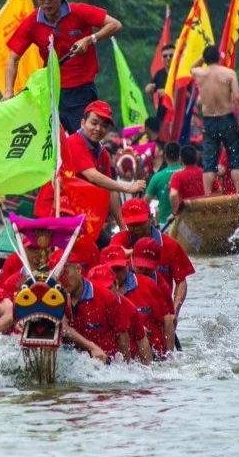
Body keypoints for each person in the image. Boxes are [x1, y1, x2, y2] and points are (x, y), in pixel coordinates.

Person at [3, 0, 122, 132]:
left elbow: (115, 24)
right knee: (47, 139)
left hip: (81, 90)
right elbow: (13, 59)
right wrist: (8, 91)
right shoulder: (32, 22)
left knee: (81, 137)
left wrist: (90, 39)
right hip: (50, 90)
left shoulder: (79, 11)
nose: (46, 3)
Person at [64, 100, 145, 229]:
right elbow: (92, 175)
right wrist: (127, 188)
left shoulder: (103, 153)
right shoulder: (73, 142)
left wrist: (122, 227)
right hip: (61, 214)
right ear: (83, 123)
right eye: (94, 123)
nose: (98, 129)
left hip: (83, 218)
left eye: (104, 126)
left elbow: (110, 190)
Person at [108, 198, 195, 316]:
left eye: (140, 223)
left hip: (161, 309)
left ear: (150, 217)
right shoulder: (119, 239)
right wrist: (136, 252)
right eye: (132, 224)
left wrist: (174, 312)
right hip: (129, 311)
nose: (136, 228)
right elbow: (111, 262)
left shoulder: (170, 245)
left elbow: (181, 282)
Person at [56, 246, 138, 363]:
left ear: (78, 269)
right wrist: (91, 346)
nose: (63, 280)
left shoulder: (107, 297)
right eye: (58, 276)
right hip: (76, 361)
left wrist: (126, 368)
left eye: (65, 273)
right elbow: (63, 328)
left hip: (108, 364)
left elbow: (123, 335)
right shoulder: (55, 296)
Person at [189, 45, 239, 196]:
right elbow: (237, 98)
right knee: (235, 160)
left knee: (209, 162)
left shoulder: (199, 73)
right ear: (219, 58)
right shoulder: (229, 73)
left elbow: (191, 68)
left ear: (205, 59)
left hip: (209, 121)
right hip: (227, 118)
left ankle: (208, 195)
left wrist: (203, 57)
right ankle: (238, 193)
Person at [146, 141, 183, 227]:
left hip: (165, 223)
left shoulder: (157, 177)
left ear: (165, 156)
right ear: (180, 156)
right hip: (186, 222)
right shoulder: (186, 172)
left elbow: (146, 201)